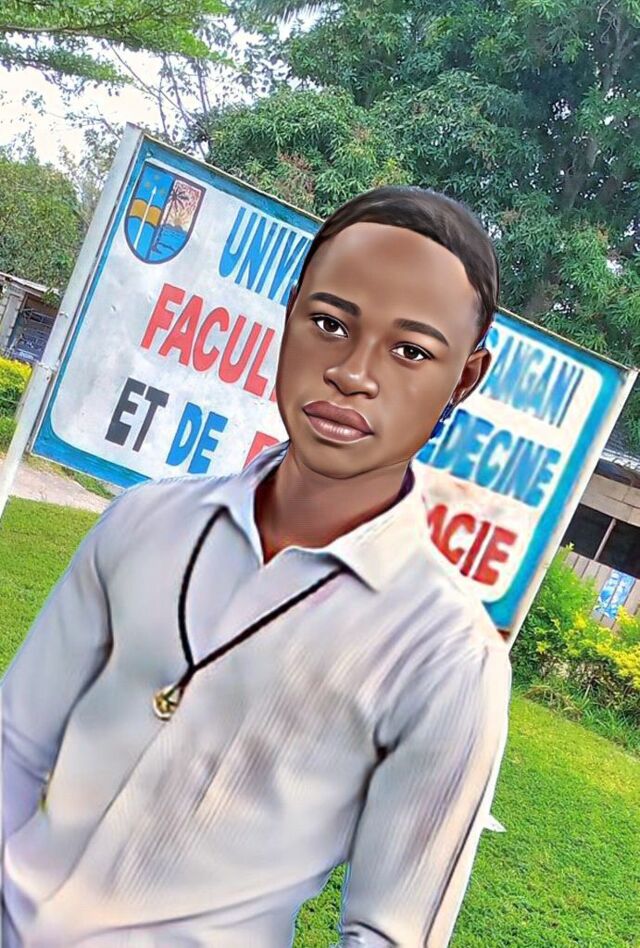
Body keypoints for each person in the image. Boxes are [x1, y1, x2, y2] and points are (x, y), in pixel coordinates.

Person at [1, 185, 511, 947]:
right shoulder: (145, 521)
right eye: (330, 324)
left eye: (410, 351)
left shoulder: (448, 654)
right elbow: (15, 742)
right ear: (290, 314)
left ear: (463, 380)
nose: (353, 373)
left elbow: (391, 932)